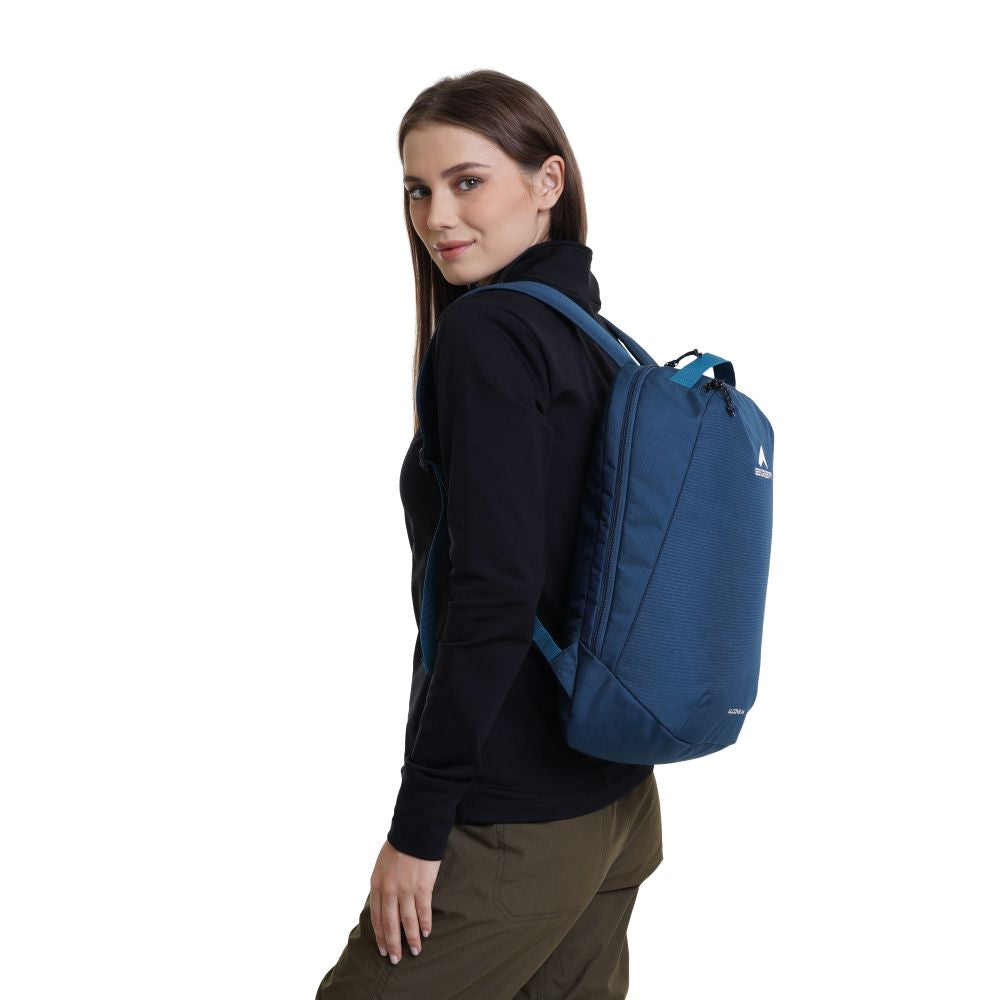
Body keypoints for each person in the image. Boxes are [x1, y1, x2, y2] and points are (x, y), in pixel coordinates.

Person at [315, 69, 663, 1000]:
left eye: (467, 181)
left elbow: (496, 593)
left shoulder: (488, 336)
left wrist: (420, 824)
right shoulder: (592, 335)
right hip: (618, 803)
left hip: (514, 823)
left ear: (547, 182)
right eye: (417, 190)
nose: (436, 217)